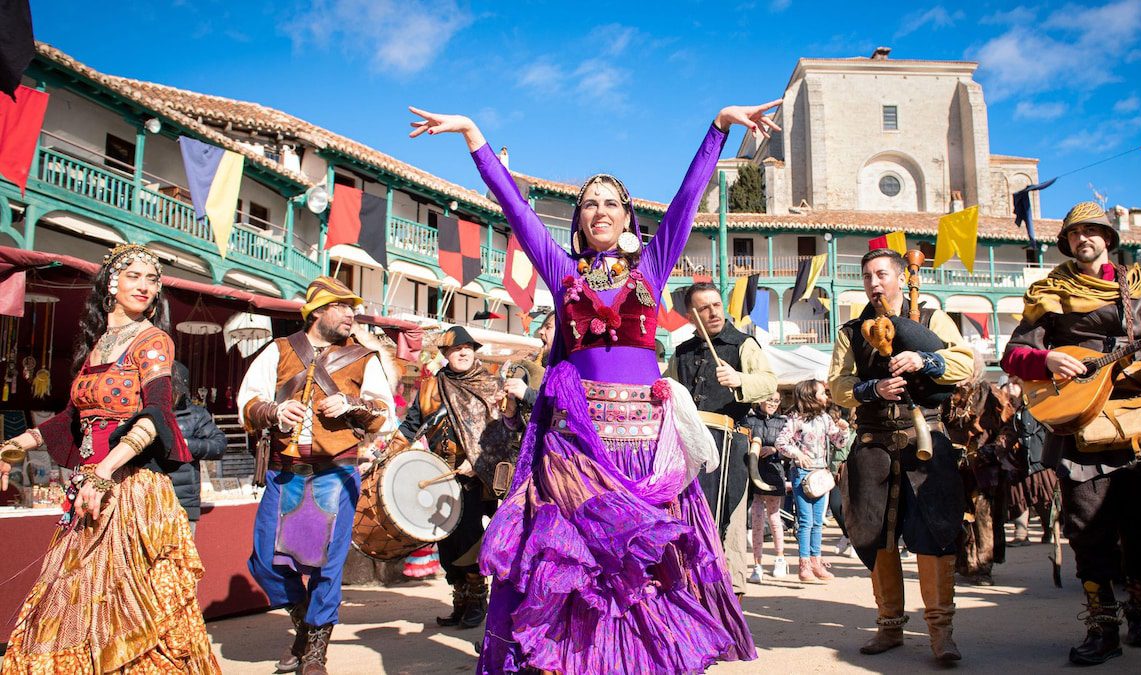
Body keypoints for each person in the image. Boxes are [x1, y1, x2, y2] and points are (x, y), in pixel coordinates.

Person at [409, 100, 779, 673]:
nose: (599, 210)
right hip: (579, 449)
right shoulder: (563, 273)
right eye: (589, 203)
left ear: (629, 217)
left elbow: (686, 201)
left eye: (611, 202)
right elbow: (514, 206)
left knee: (643, 575)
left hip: (647, 448)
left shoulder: (651, 270)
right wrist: (473, 136)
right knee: (580, 573)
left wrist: (719, 128)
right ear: (577, 220)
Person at [0, 243, 219, 673]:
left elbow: (156, 413)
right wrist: (12, 446)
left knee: (126, 599)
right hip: (90, 487)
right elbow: (70, 419)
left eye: (152, 279)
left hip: (130, 488)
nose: (145, 286)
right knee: (74, 597)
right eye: (134, 276)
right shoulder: (98, 345)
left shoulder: (153, 341)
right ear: (111, 284)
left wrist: (103, 472)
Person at [1001, 201, 1141, 665]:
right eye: (1075, 233)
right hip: (1079, 424)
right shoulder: (1051, 291)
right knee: (1086, 530)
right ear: (1066, 242)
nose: (1085, 238)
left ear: (1108, 238)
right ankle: (1102, 626)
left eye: (1093, 231)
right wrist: (1046, 360)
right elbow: (1014, 353)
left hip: (1137, 418)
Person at [238, 276, 396, 675]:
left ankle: (315, 653)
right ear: (318, 311)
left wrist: (352, 403)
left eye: (353, 308)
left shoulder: (363, 357)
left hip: (336, 472)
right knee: (265, 562)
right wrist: (274, 412)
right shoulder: (278, 351)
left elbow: (385, 415)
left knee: (328, 565)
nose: (351, 315)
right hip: (284, 471)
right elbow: (250, 399)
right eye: (342, 306)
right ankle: (307, 624)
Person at [829, 247, 974, 662]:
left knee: (934, 532)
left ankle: (941, 633)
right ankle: (889, 626)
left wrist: (924, 359)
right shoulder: (850, 331)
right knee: (875, 534)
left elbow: (964, 363)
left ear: (898, 276)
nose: (875, 283)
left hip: (924, 439)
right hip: (872, 444)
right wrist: (870, 389)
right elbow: (838, 383)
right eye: (868, 276)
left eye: (882, 275)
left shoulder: (931, 316)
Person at [668, 282, 780, 594]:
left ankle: (731, 601)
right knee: (690, 520)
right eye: (704, 308)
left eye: (716, 304)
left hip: (730, 445)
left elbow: (770, 383)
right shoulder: (682, 352)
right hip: (690, 448)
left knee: (728, 524)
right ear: (691, 316)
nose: (714, 312)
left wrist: (740, 379)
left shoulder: (744, 344)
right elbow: (671, 392)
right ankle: (693, 596)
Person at [391, 326, 505, 629]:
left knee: (469, 537)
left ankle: (477, 597)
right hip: (439, 472)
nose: (464, 353)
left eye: (468, 347)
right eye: (457, 349)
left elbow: (504, 432)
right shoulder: (431, 387)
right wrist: (391, 454)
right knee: (446, 541)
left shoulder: (490, 384)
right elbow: (411, 424)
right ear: (446, 355)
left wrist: (478, 460)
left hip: (475, 475)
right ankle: (460, 597)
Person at [943, 354, 1013, 586]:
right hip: (955, 467)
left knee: (985, 517)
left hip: (983, 466)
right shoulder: (949, 395)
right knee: (958, 516)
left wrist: (994, 449)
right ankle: (964, 562)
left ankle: (984, 566)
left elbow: (1009, 426)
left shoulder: (990, 392)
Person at [775, 380, 849, 583]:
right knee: (806, 521)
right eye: (822, 393)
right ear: (810, 396)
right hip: (802, 473)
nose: (826, 396)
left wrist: (843, 429)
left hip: (820, 474)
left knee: (817, 522)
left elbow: (839, 442)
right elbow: (781, 442)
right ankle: (804, 564)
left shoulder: (825, 418)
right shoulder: (795, 419)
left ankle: (816, 562)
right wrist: (796, 453)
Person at [170, 362, 229, 535]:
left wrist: (188, 445)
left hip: (184, 501)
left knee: (183, 560)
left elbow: (219, 445)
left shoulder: (195, 414)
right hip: (151, 499)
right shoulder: (147, 412)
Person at [999, 376, 1055, 546]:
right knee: (1018, 497)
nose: (1009, 387)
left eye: (1013, 384)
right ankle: (1021, 533)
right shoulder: (1007, 407)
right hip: (1019, 460)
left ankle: (1049, 530)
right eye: (1008, 384)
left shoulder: (1038, 404)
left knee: (1044, 498)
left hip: (1040, 457)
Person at [741, 391, 789, 582]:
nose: (773, 404)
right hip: (752, 474)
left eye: (776, 401)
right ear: (760, 399)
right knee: (757, 520)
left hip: (774, 473)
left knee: (775, 517)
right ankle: (757, 565)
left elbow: (790, 446)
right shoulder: (749, 420)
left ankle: (780, 558)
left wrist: (775, 450)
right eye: (770, 399)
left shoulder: (783, 422)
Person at [827, 408, 857, 558]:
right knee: (835, 506)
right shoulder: (832, 423)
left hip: (853, 472)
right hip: (833, 472)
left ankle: (854, 542)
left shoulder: (858, 428)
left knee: (852, 508)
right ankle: (847, 535)